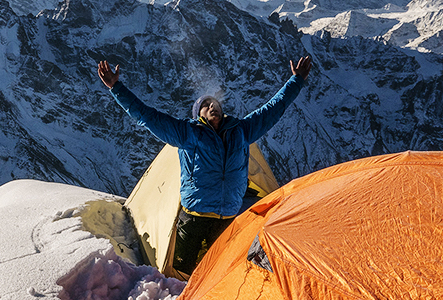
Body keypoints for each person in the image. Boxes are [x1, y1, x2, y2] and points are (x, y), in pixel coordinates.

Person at [97, 56, 312, 274]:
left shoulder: (241, 131)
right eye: (206, 105)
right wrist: (116, 87)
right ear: (198, 114)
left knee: (219, 273)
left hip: (227, 218)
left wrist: (296, 80)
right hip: (194, 218)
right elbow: (148, 116)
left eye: (215, 104)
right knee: (182, 273)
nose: (212, 106)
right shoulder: (188, 133)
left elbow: (273, 109)